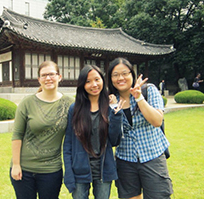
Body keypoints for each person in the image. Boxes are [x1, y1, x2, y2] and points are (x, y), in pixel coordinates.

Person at [107, 58, 173, 199]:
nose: (120, 78)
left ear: (132, 74)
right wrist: (112, 109)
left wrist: (139, 98)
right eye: (115, 75)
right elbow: (112, 134)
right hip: (125, 159)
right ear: (110, 78)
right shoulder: (111, 100)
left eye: (125, 73)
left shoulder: (149, 90)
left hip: (152, 156)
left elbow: (157, 121)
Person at [10, 60, 74, 199]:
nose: (48, 78)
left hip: (51, 170)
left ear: (59, 77)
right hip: (24, 169)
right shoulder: (27, 103)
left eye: (52, 74)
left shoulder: (70, 104)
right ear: (39, 79)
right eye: (44, 75)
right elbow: (17, 135)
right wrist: (16, 165)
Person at [63, 65, 124, 199]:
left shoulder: (110, 106)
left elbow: (115, 141)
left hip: (103, 168)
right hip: (80, 168)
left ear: (103, 80)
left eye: (97, 79)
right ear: (82, 85)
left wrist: (116, 114)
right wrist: (68, 171)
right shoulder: (75, 109)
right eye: (88, 81)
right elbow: (68, 144)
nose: (94, 85)